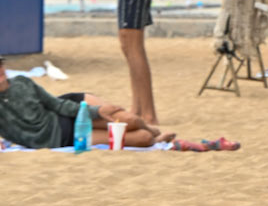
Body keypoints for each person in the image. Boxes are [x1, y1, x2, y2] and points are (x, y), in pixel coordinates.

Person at [0, 56, 163, 149]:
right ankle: (158, 140)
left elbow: (57, 104)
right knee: (144, 139)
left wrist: (95, 111)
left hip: (68, 109)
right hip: (66, 137)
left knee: (131, 120)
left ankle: (155, 131)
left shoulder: (22, 82)